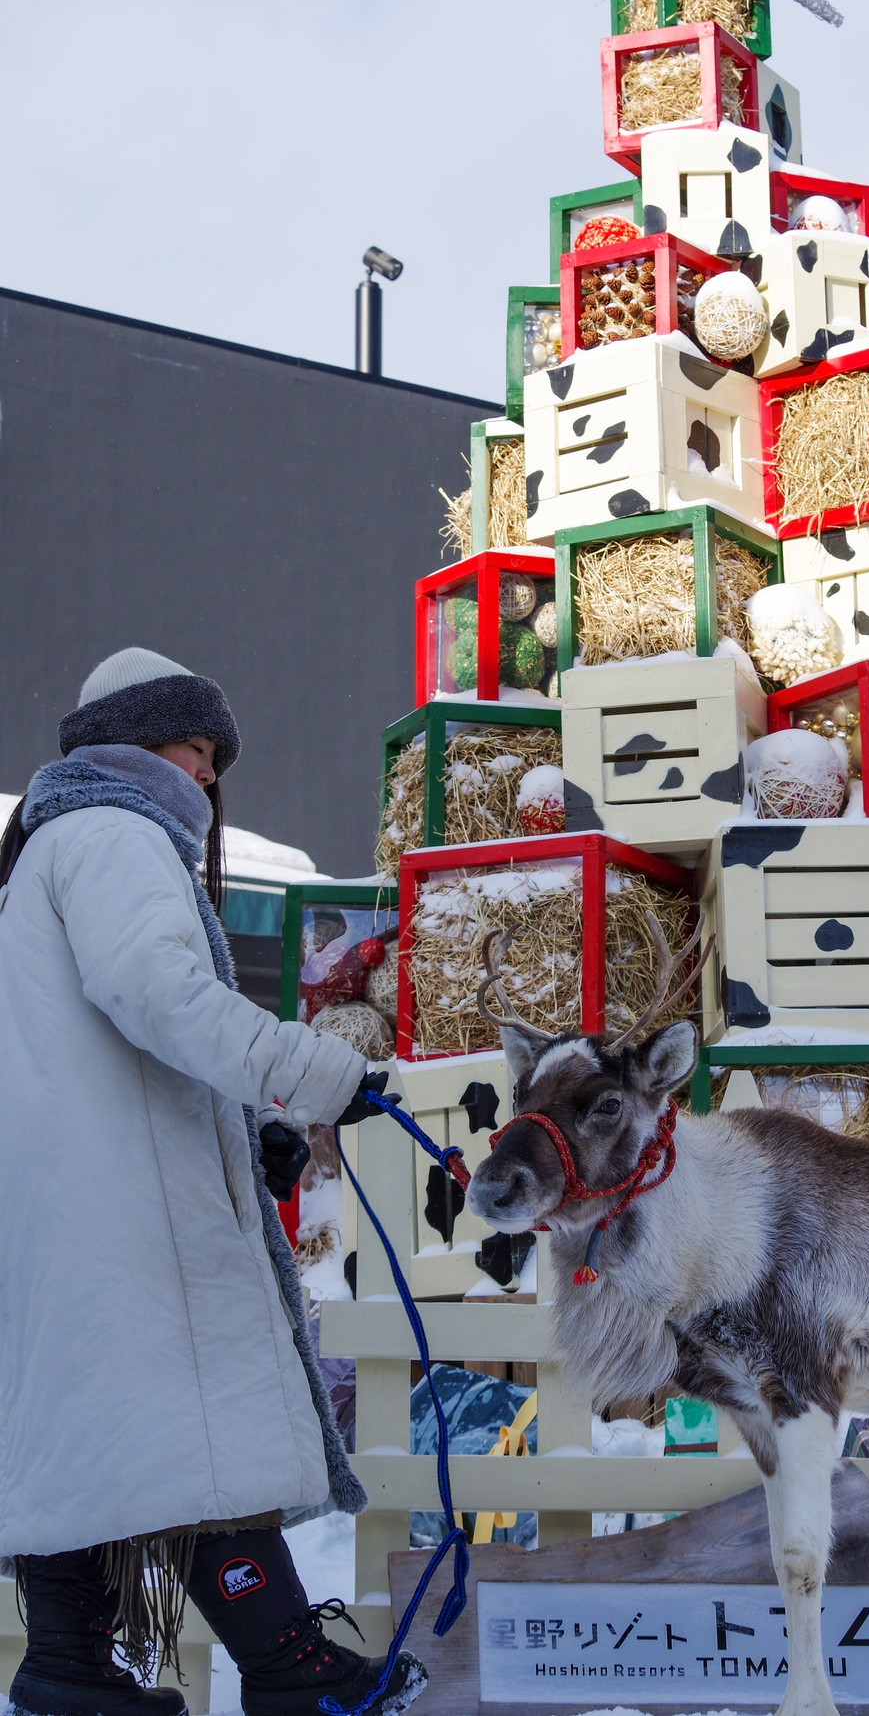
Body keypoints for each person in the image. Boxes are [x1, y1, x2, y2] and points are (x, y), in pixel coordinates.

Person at [0, 648, 425, 1716]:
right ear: (149, 744)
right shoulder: (113, 834)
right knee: (193, 1426)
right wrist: (314, 1071)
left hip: (77, 1203)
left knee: (102, 1434)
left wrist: (247, 1133)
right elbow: (158, 993)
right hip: (129, 1218)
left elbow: (115, 1054)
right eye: (200, 750)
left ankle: (67, 1666)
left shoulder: (55, 846)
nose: (208, 777)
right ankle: (286, 1665)